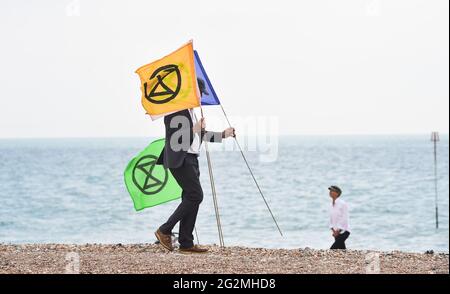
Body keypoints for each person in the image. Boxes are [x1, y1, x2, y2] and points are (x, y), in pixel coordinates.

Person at [154, 78, 235, 253]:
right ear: (190, 92)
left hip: (191, 159)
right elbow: (175, 138)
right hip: (180, 159)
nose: (200, 99)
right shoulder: (175, 110)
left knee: (190, 197)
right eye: (199, 94)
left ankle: (186, 243)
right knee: (195, 195)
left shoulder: (191, 112)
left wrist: (223, 135)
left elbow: (200, 135)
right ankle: (164, 230)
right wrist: (194, 129)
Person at [328, 185, 351, 249]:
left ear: (337, 193)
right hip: (336, 233)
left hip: (343, 232)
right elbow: (331, 219)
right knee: (341, 250)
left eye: (332, 191)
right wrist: (333, 230)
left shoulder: (342, 204)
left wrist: (338, 231)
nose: (330, 192)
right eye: (330, 190)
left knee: (332, 250)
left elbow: (344, 218)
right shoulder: (331, 205)